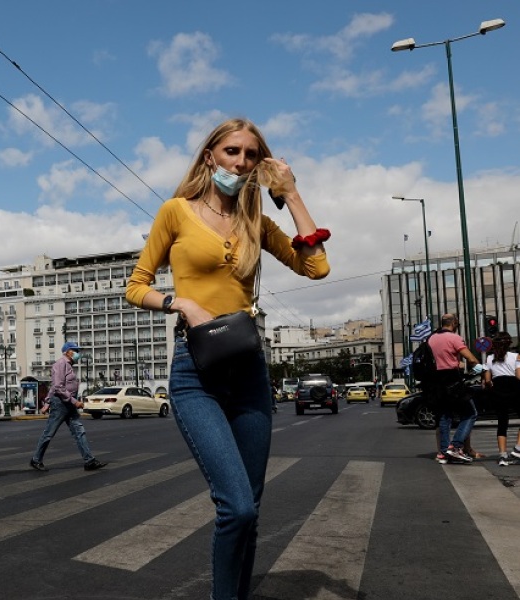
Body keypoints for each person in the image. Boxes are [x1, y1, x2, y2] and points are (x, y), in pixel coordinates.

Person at [125, 118, 330, 600]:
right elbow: (135, 286)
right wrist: (182, 304)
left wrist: (292, 194)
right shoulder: (175, 212)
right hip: (195, 373)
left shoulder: (255, 222)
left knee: (251, 511)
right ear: (210, 156)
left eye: (251, 155)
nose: (241, 162)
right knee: (236, 506)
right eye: (232, 151)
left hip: (249, 374)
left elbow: (317, 267)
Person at [29, 341, 106, 472]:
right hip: (60, 404)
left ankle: (89, 461)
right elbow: (57, 387)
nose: (78, 353)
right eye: (75, 350)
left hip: (68, 404)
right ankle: (36, 459)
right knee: (49, 433)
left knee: (79, 432)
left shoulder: (69, 365)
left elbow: (55, 386)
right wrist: (73, 401)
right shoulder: (60, 364)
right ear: (67, 351)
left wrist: (48, 402)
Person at [427, 314, 481, 464]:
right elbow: (470, 359)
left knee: (445, 417)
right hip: (453, 380)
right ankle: (455, 446)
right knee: (470, 413)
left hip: (437, 382)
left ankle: (443, 453)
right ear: (454, 323)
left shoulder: (431, 339)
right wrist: (479, 367)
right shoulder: (454, 337)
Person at [482, 331, 520, 466]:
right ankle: (517, 449)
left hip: (498, 390)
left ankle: (503, 456)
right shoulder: (516, 356)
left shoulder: (489, 358)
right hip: (514, 388)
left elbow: (487, 380)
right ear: (509, 343)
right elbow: (518, 375)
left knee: (502, 423)